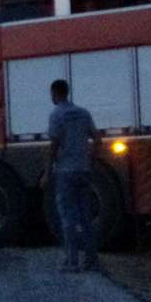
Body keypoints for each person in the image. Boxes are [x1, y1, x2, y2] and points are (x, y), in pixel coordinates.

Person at [40, 80, 104, 272]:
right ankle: (91, 260)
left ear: (55, 93)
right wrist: (90, 160)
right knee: (85, 216)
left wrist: (47, 172)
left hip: (65, 173)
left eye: (51, 94)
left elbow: (54, 146)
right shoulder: (83, 113)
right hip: (84, 171)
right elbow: (98, 139)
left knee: (68, 217)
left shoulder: (57, 115)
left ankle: (71, 261)